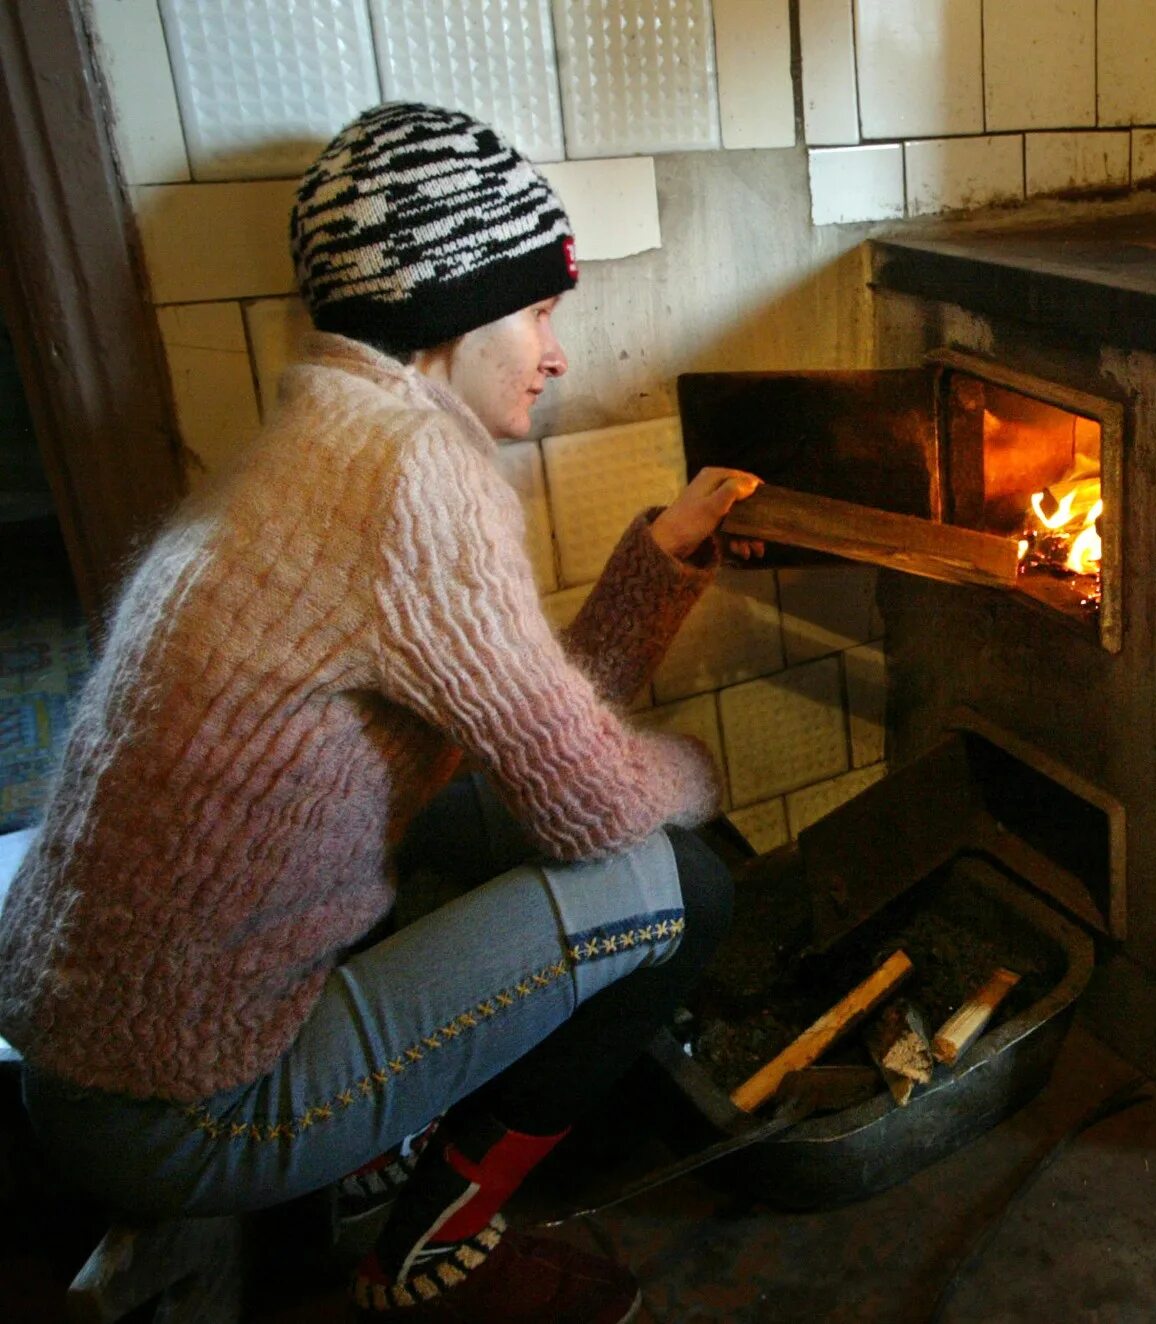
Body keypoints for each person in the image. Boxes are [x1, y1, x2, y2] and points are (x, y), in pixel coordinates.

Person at [0, 102, 759, 1322]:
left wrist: (655, 558)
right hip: (191, 1109)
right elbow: (591, 801)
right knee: (674, 881)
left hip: (85, 1061)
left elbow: (518, 726)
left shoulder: (323, 439)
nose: (555, 350)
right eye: (539, 308)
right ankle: (428, 1249)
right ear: (453, 314)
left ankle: (384, 1138)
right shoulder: (411, 475)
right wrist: (704, 776)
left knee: (484, 822)